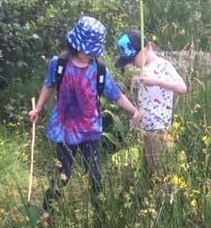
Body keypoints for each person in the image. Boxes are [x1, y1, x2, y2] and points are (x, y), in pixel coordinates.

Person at [28, 16, 141, 210]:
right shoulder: (59, 64)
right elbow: (48, 85)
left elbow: (117, 96)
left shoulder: (100, 70)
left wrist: (135, 112)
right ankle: (46, 218)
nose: (91, 54)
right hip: (64, 130)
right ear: (76, 45)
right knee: (62, 176)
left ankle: (100, 219)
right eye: (88, 50)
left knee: (95, 177)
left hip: (91, 131)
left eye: (94, 51)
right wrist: (37, 108)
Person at [114, 30, 187, 174]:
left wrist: (156, 82)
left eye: (133, 59)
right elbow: (144, 100)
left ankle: (166, 193)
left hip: (160, 129)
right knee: (153, 169)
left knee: (163, 170)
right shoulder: (142, 70)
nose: (132, 65)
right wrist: (137, 115)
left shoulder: (163, 65)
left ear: (146, 48)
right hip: (146, 130)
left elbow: (182, 88)